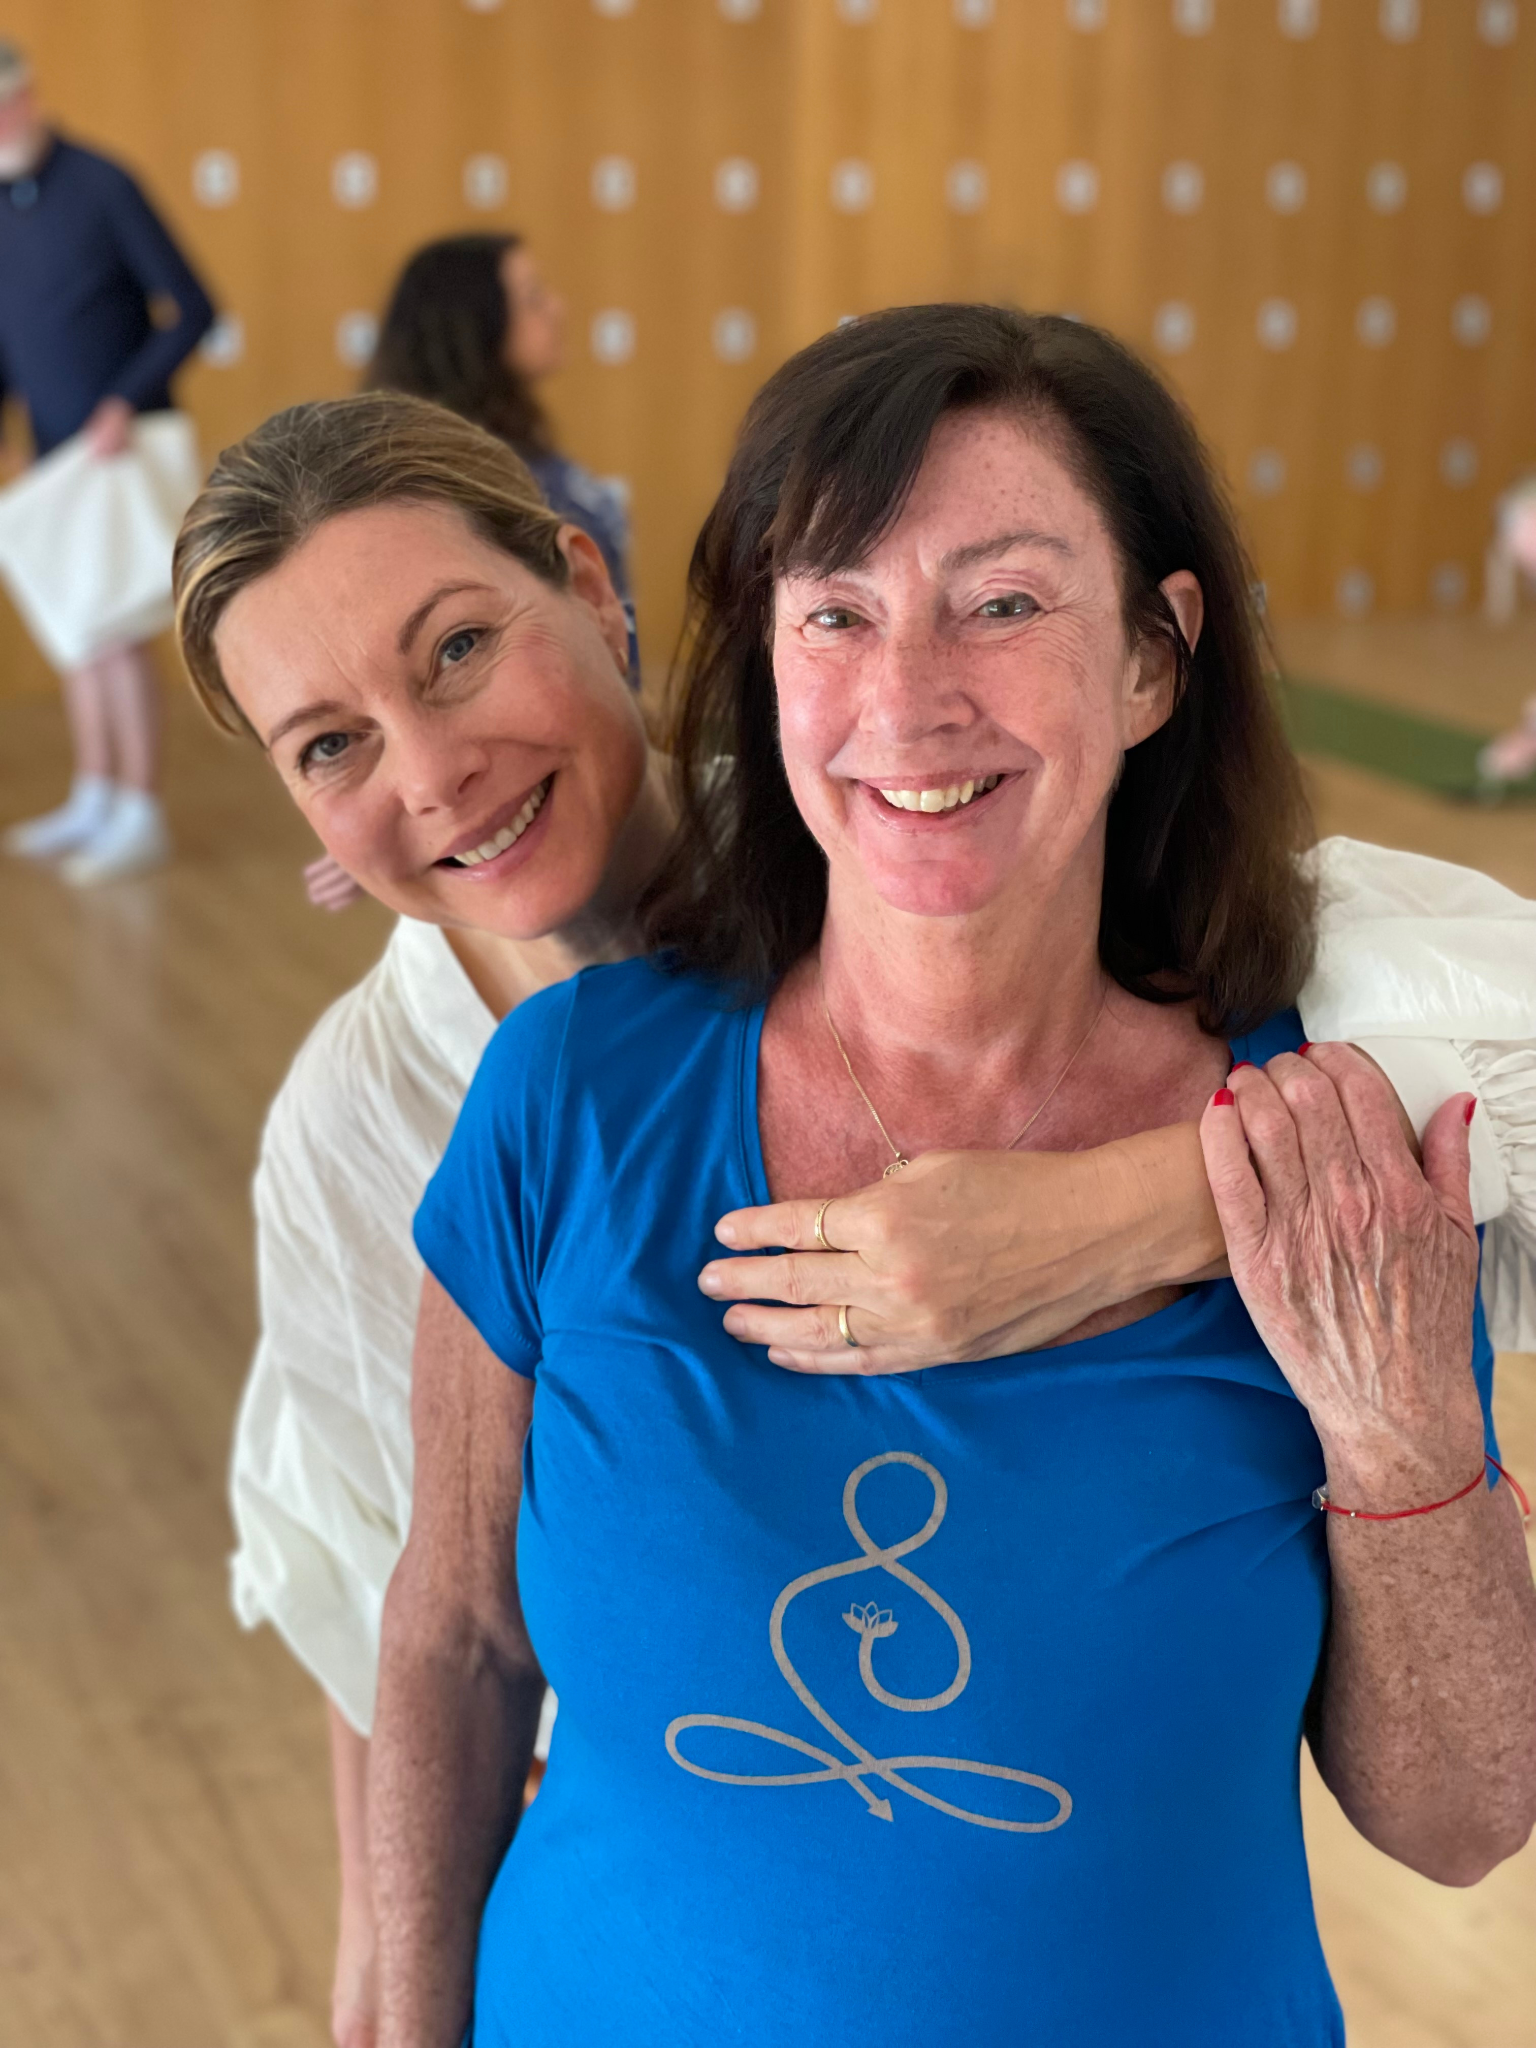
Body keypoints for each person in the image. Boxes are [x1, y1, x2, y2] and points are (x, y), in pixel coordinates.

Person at [173, 386, 1536, 2048]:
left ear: (593, 590)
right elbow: (413, 1606)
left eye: (458, 648)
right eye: (333, 743)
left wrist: (1155, 1206)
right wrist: (391, 1981)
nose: (435, 768)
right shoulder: (472, 1105)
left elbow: (1460, 1808)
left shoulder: (926, 799)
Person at [299, 233, 638, 920]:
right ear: (476, 328)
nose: (558, 309)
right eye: (533, 298)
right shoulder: (458, 498)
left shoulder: (518, 456)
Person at [0, 38, 214, 884]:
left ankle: (140, 807)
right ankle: (94, 792)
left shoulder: (104, 184)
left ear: (28, 98)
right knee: (75, 631)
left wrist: (125, 399)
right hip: (52, 458)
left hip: (123, 447)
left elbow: (193, 309)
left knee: (117, 633)